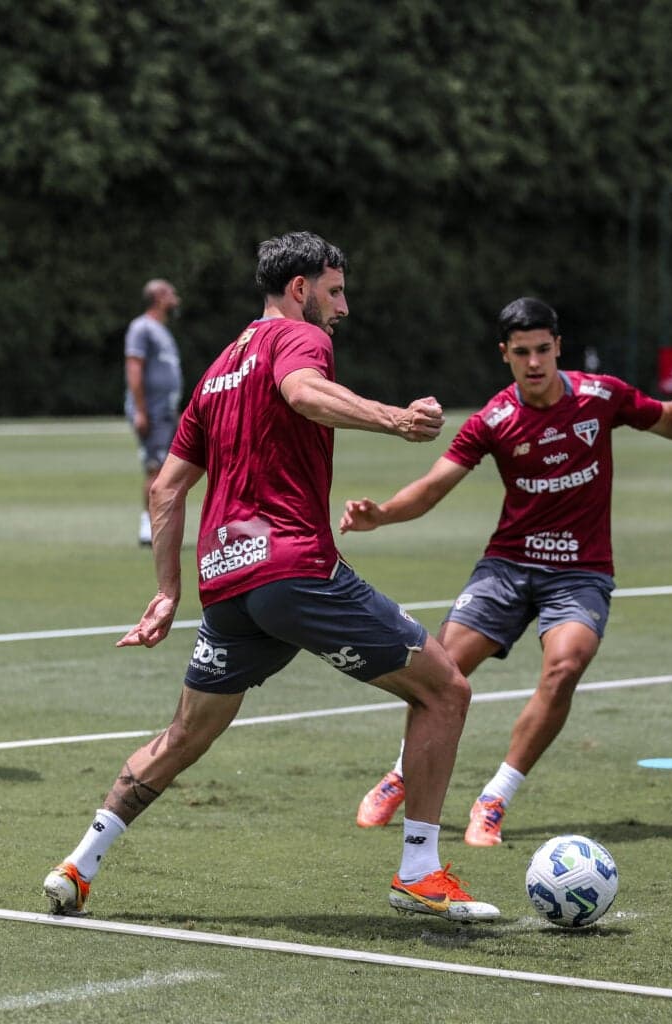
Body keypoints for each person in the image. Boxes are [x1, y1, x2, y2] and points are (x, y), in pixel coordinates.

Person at [43, 231, 498, 923]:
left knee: (185, 735)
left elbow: (166, 490)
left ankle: (79, 865)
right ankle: (419, 870)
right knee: (445, 689)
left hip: (226, 585)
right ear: (299, 289)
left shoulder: (218, 368)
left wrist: (167, 592)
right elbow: (305, 393)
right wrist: (395, 419)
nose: (341, 306)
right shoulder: (299, 340)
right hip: (293, 571)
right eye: (335, 290)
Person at [341, 297, 672, 846]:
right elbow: (433, 487)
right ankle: (401, 775)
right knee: (442, 672)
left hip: (581, 573)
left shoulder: (601, 396)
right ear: (505, 354)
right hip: (506, 568)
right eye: (521, 352)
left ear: (558, 347)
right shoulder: (493, 420)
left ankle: (495, 797)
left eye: (543, 350)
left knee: (565, 666)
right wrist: (381, 514)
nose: (534, 362)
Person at [124, 278, 183, 545]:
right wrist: (140, 410)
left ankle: (163, 524)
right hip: (152, 410)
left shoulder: (161, 329)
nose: (175, 296)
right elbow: (134, 367)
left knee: (168, 469)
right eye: (170, 292)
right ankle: (147, 528)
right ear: (158, 297)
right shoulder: (142, 327)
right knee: (155, 468)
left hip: (166, 410)